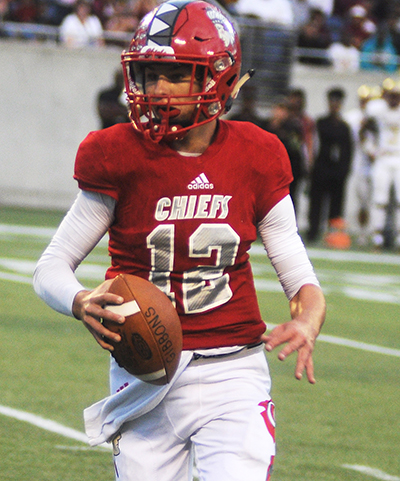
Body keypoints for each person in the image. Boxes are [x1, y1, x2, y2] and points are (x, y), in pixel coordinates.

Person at [33, 1, 326, 480]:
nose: (156, 89)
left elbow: (298, 274)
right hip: (143, 372)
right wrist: (80, 300)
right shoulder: (115, 153)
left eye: (174, 75)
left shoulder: (257, 153)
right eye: (148, 74)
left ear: (218, 79)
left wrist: (309, 320)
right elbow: (51, 266)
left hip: (233, 370)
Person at [306, 87, 353, 247]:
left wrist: (345, 170)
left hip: (337, 170)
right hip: (322, 167)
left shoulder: (344, 126)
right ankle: (313, 232)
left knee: (336, 205)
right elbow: (314, 145)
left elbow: (348, 150)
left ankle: (333, 235)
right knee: (316, 203)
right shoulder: (321, 122)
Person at [365, 78, 400, 249]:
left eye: (396, 95)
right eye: (391, 95)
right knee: (380, 199)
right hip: (384, 157)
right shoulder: (377, 109)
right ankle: (377, 236)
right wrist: (371, 149)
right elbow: (366, 129)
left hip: (399, 156)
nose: (394, 99)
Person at [343, 84, 377, 245]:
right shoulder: (352, 117)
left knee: (375, 201)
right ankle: (362, 232)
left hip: (375, 163)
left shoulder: (378, 118)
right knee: (361, 199)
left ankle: (373, 233)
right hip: (357, 163)